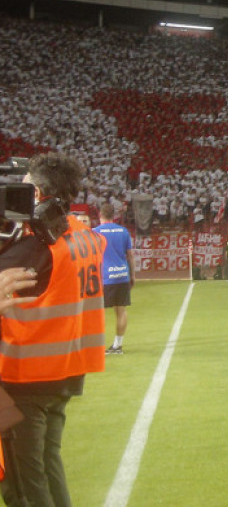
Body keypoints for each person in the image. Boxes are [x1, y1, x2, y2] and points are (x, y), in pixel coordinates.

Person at [0, 153, 106, 507]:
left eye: (25, 184)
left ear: (40, 192)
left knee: (28, 482)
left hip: (26, 374)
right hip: (67, 369)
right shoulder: (86, 235)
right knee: (49, 463)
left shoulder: (35, 245)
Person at [93, 202, 134, 355]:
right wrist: (133, 275)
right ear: (114, 215)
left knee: (97, 312)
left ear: (100, 214)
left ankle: (97, 346)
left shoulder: (95, 232)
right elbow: (130, 255)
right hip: (122, 275)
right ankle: (117, 345)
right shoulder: (123, 231)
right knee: (121, 311)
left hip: (104, 277)